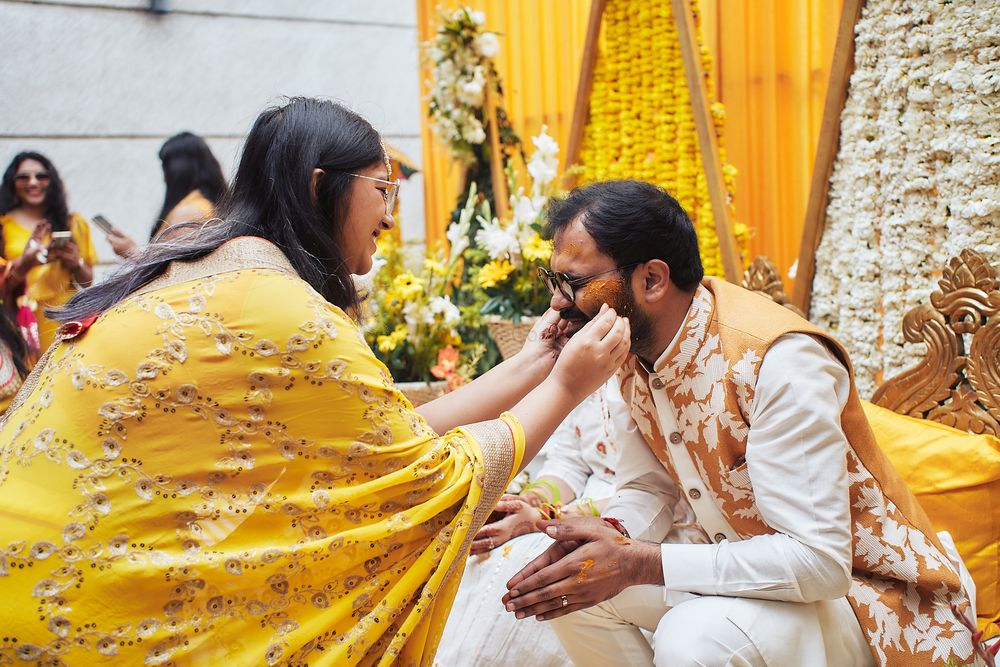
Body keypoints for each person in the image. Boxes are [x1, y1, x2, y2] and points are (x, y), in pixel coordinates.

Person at [0, 97, 630, 666]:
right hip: (87, 610)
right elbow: (429, 477)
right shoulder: (280, 310)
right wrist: (567, 388)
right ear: (319, 186)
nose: (390, 215)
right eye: (382, 188)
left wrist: (537, 361)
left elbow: (383, 438)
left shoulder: (219, 267)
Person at [502, 180, 976, 666]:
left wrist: (638, 563)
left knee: (695, 637)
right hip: (741, 572)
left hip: (866, 603)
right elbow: (648, 487)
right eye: (553, 281)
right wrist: (609, 536)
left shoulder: (777, 361)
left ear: (651, 280)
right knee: (568, 587)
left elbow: (819, 563)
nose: (557, 303)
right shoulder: (628, 350)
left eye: (575, 284)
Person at [435, 379, 707, 666]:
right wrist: (527, 502)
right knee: (482, 551)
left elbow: (663, 494)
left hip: (644, 523)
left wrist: (546, 517)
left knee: (545, 561)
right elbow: (568, 463)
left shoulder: (658, 375)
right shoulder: (589, 374)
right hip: (578, 505)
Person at [0, 152, 97, 350]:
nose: (33, 183)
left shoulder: (73, 223)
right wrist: (25, 263)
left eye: (41, 176)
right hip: (20, 321)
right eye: (23, 177)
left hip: (65, 317)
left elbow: (87, 282)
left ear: (51, 181)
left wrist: (75, 262)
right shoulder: (3, 225)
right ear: (12, 182)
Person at [106, 131, 229, 258]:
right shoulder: (208, 205)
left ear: (176, 169)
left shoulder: (189, 213)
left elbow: (175, 267)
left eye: (164, 167)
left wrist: (131, 251)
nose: (164, 177)